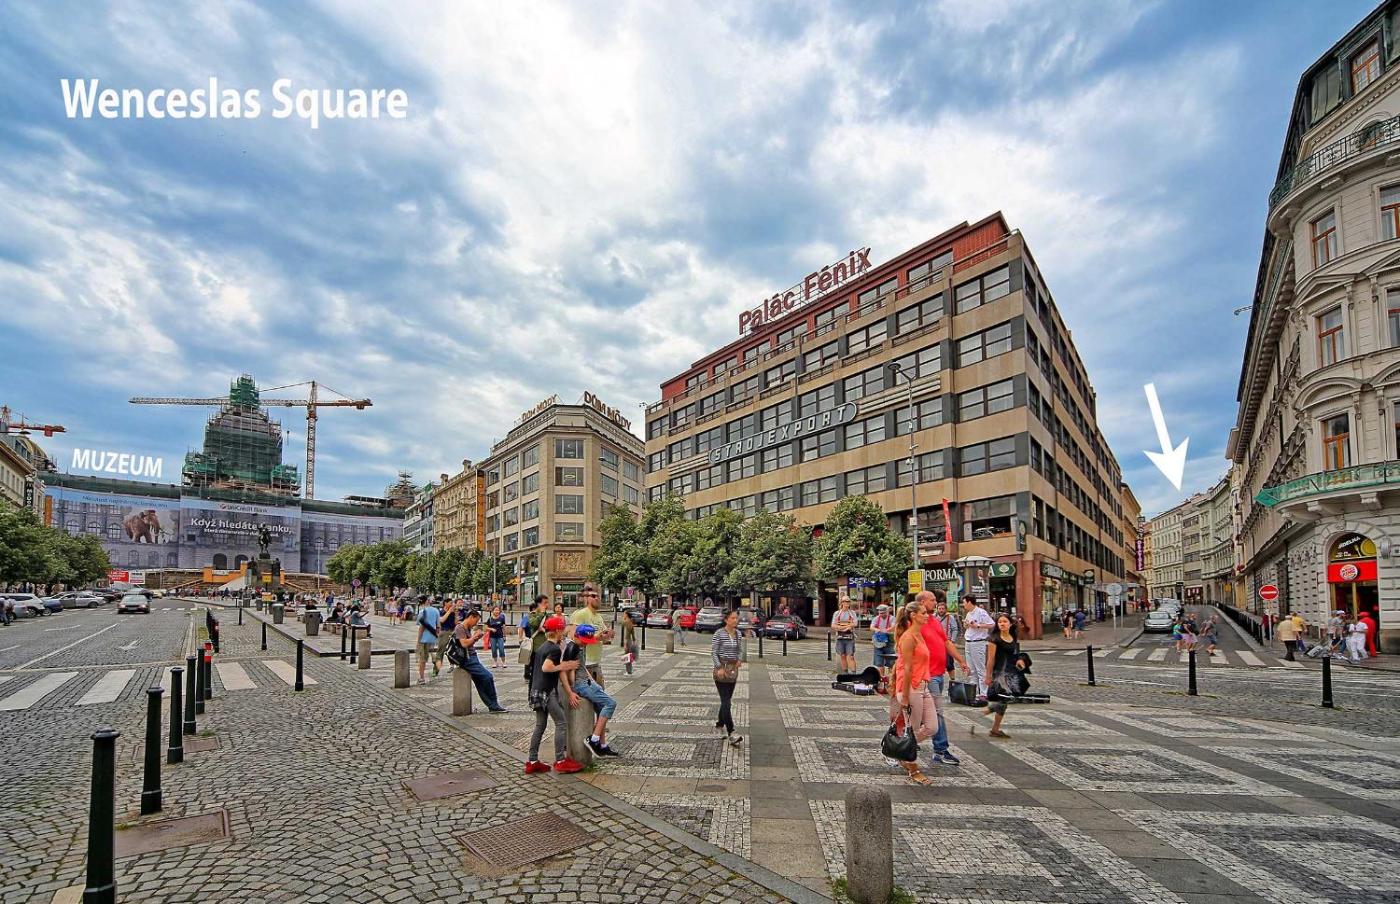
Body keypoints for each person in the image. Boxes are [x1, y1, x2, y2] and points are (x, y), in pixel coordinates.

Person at [915, 590, 969, 768]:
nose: (935, 602)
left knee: (921, 713)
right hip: (927, 675)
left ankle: (908, 739)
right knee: (936, 713)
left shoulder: (933, 620)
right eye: (932, 600)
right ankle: (940, 750)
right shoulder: (916, 623)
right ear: (922, 602)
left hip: (938, 673)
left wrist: (960, 660)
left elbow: (946, 642)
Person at [525, 615, 583, 775]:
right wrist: (566, 665)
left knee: (540, 726)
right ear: (557, 630)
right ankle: (560, 760)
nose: (564, 631)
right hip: (546, 691)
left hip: (536, 690)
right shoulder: (554, 649)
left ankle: (532, 761)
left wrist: (563, 668)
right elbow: (546, 667)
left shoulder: (543, 647)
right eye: (563, 628)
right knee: (561, 723)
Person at [889, 602, 935, 785]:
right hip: (910, 687)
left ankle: (901, 750)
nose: (927, 615)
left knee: (932, 727)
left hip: (923, 685)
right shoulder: (908, 637)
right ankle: (912, 767)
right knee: (913, 729)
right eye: (924, 613)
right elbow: (907, 668)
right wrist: (905, 696)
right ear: (913, 615)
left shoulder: (919, 634)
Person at [568, 624, 619, 756]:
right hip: (581, 684)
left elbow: (582, 667)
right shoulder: (573, 648)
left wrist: (593, 682)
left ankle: (602, 745)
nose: (586, 643)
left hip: (587, 682)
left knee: (601, 708)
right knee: (610, 704)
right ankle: (593, 739)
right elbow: (569, 671)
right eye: (585, 640)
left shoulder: (580, 645)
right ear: (577, 636)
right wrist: (571, 691)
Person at [451, 608, 508, 712]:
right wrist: (475, 637)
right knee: (487, 677)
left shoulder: (466, 627)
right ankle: (493, 704)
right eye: (476, 621)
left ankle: (492, 705)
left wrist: (475, 638)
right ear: (471, 617)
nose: (476, 624)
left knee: (480, 681)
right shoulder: (460, 628)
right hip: (467, 658)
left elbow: (469, 643)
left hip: (471, 656)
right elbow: (464, 644)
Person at [984, 612, 1024, 739]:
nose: (1002, 624)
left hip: (1010, 672)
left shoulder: (1013, 636)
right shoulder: (994, 639)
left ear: (1010, 624)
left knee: (1006, 699)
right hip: (999, 673)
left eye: (1005, 621)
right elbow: (990, 659)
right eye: (1000, 622)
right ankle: (989, 719)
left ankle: (993, 726)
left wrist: (1019, 660)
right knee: (1005, 699)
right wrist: (988, 676)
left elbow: (1015, 653)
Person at [567, 583, 613, 688]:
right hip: (585, 664)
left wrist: (608, 635)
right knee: (593, 695)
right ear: (586, 598)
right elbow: (573, 638)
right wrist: (597, 637)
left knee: (600, 692)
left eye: (597, 596)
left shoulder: (599, 617)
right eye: (593, 596)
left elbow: (602, 637)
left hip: (596, 663)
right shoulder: (581, 614)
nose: (596, 598)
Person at [711, 609, 743, 746]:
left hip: (733, 670)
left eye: (736, 618)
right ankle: (732, 732)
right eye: (733, 618)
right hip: (722, 670)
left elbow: (739, 650)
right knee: (726, 702)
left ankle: (719, 724)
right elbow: (714, 652)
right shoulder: (719, 633)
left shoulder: (738, 634)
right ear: (726, 620)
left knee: (726, 701)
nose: (736, 620)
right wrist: (719, 667)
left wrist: (739, 659)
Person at [962, 596, 995, 705]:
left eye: (964, 602)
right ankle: (973, 691)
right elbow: (968, 626)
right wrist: (967, 625)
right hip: (968, 641)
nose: (963, 605)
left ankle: (984, 693)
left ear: (969, 602)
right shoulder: (969, 613)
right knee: (971, 669)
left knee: (980, 668)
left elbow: (991, 624)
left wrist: (978, 625)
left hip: (978, 642)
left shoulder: (981, 612)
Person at [523, 594, 553, 684]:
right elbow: (534, 623)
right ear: (538, 604)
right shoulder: (533, 615)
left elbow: (551, 628)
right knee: (534, 668)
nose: (547, 605)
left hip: (547, 644)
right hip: (536, 646)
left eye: (547, 603)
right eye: (544, 603)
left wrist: (544, 630)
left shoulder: (549, 616)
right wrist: (541, 613)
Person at [415, 596, 442, 685]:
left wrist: (418, 640)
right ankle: (436, 665)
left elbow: (421, 627)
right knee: (432, 654)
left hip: (424, 638)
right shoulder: (436, 611)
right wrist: (437, 637)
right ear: (428, 601)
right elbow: (438, 626)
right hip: (433, 637)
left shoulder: (422, 612)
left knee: (422, 659)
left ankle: (422, 678)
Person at [831, 598, 859, 675]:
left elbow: (855, 623)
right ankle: (845, 673)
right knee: (842, 656)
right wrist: (845, 627)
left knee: (850, 656)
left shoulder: (852, 613)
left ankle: (853, 674)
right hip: (840, 637)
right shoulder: (837, 613)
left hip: (849, 637)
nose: (848, 603)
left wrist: (846, 627)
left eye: (849, 601)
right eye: (846, 601)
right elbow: (833, 625)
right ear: (842, 602)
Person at [433, 599, 459, 676]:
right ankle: (436, 670)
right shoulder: (441, 612)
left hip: (453, 632)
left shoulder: (453, 612)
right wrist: (449, 611)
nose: (452, 604)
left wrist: (456, 614)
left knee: (456, 650)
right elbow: (441, 620)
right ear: (445, 603)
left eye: (452, 603)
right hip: (444, 632)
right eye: (450, 603)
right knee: (440, 651)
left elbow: (456, 623)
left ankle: (456, 666)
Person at [870, 604, 896, 680]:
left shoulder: (892, 618)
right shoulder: (876, 619)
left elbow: (894, 626)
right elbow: (871, 627)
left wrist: (886, 630)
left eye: (883, 613)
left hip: (889, 642)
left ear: (887, 612)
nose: (881, 615)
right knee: (879, 662)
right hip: (878, 642)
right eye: (880, 613)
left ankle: (891, 679)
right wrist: (877, 630)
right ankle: (881, 678)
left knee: (891, 662)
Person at [621, 610, 638, 675]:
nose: (623, 615)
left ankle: (628, 671)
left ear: (627, 615)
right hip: (630, 641)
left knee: (627, 656)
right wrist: (634, 641)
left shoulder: (626, 622)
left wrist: (625, 643)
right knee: (629, 656)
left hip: (627, 641)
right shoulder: (631, 622)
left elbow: (627, 634)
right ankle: (629, 670)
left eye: (624, 614)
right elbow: (633, 633)